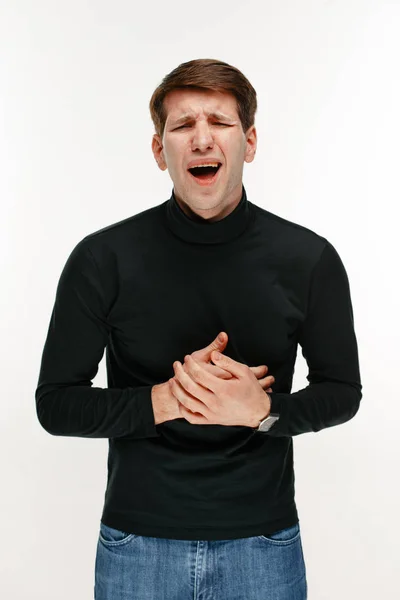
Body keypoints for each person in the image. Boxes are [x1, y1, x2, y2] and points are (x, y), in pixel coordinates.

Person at [35, 58, 362, 600]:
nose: (202, 139)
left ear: (249, 142)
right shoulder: (102, 258)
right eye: (183, 125)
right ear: (160, 150)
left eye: (220, 123)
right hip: (137, 543)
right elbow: (55, 403)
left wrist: (263, 412)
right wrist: (164, 401)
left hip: (264, 542)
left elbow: (343, 392)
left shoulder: (309, 259)